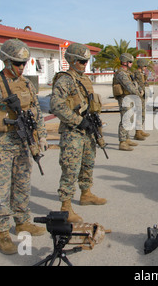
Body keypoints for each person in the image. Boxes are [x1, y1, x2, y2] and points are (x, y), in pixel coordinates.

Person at [0, 39, 48, 255]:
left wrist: (41, 136)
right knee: (0, 190)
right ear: (5, 61)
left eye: (24, 63)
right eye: (16, 63)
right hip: (0, 147)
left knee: (22, 185)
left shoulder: (26, 84)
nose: (21, 67)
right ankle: (3, 232)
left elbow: (36, 113)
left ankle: (22, 221)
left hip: (23, 144)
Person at [50, 43, 106, 224]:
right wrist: (78, 121)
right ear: (71, 60)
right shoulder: (65, 80)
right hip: (73, 131)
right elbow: (56, 106)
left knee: (88, 163)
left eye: (86, 61)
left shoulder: (84, 79)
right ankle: (66, 206)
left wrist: (97, 129)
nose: (84, 64)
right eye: (81, 61)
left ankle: (86, 193)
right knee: (70, 168)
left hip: (87, 129)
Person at [113, 53, 142, 151]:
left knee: (129, 119)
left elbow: (134, 84)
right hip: (124, 99)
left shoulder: (127, 73)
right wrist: (139, 93)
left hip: (129, 98)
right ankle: (122, 142)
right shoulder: (121, 74)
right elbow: (129, 87)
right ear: (124, 62)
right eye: (130, 62)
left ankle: (127, 138)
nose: (131, 64)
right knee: (125, 119)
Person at [134, 58, 151, 140]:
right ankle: (137, 133)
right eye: (144, 66)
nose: (145, 67)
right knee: (139, 114)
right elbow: (140, 84)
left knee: (142, 114)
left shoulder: (141, 73)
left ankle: (140, 130)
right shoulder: (137, 73)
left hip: (143, 96)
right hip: (139, 96)